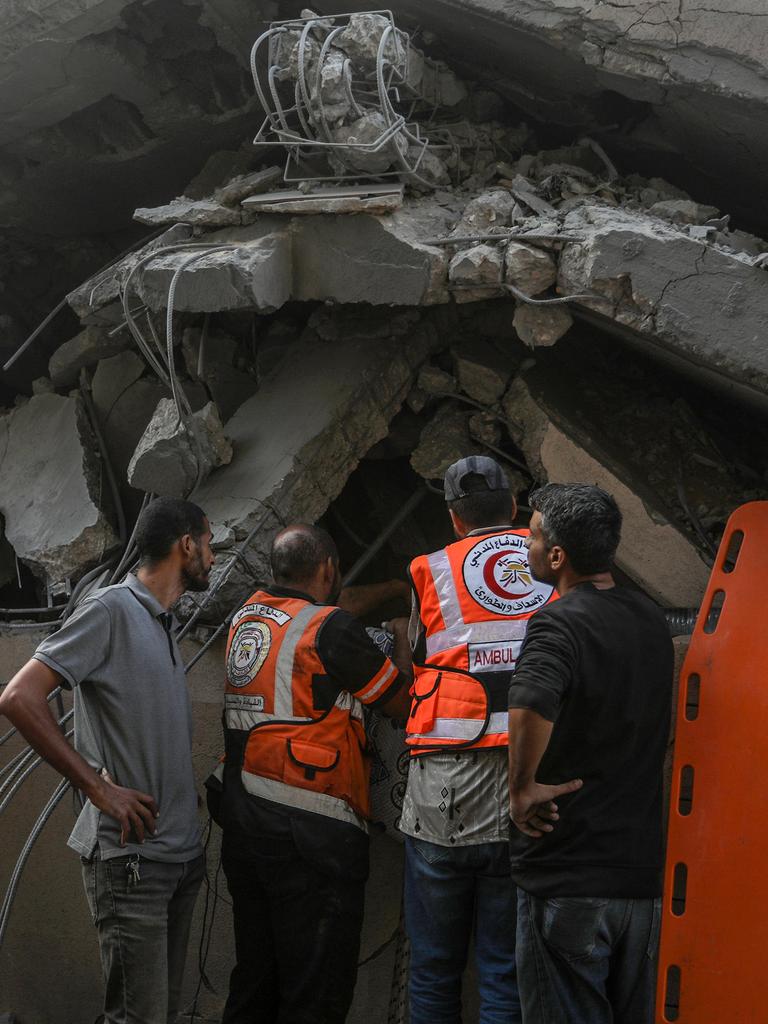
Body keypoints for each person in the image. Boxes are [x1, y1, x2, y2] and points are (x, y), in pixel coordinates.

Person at [0, 497, 214, 1024]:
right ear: (186, 543)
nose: (212, 555)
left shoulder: (160, 621)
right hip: (132, 865)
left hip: (177, 860)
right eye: (208, 543)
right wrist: (99, 789)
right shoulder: (111, 609)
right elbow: (19, 698)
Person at [208, 523, 412, 1024]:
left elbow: (330, 617)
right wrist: (403, 633)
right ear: (328, 569)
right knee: (315, 992)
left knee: (257, 978)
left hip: (244, 821)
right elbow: (401, 704)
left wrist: (391, 589)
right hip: (310, 831)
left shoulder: (248, 618)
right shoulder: (332, 631)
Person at [400, 455, 558, 1024]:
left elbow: (415, 654)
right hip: (530, 782)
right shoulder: (551, 563)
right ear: (515, 508)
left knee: (435, 970)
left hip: (446, 790)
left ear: (453, 518)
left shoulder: (432, 567)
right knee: (502, 971)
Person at [507, 483, 673, 1024]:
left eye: (531, 536)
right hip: (641, 880)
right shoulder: (650, 619)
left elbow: (531, 699)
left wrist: (521, 788)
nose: (524, 546)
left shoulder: (558, 622)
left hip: (569, 874)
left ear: (558, 556)